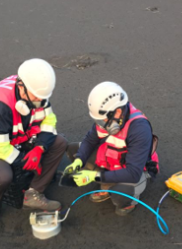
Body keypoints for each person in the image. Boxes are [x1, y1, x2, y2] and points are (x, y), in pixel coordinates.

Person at [0, 58, 67, 236]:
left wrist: (40, 148)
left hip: (16, 134)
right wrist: (24, 161)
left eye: (43, 98)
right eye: (36, 97)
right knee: (3, 175)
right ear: (21, 86)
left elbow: (49, 121)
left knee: (59, 143)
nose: (39, 101)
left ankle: (33, 194)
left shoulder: (38, 92)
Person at [64, 82, 159, 216]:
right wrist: (78, 160)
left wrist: (94, 176)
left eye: (102, 120)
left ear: (118, 112)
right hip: (115, 158)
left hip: (135, 170)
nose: (100, 124)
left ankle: (128, 201)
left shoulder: (139, 129)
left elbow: (133, 173)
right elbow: (90, 140)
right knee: (74, 150)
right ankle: (108, 183)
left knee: (120, 195)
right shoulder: (108, 120)